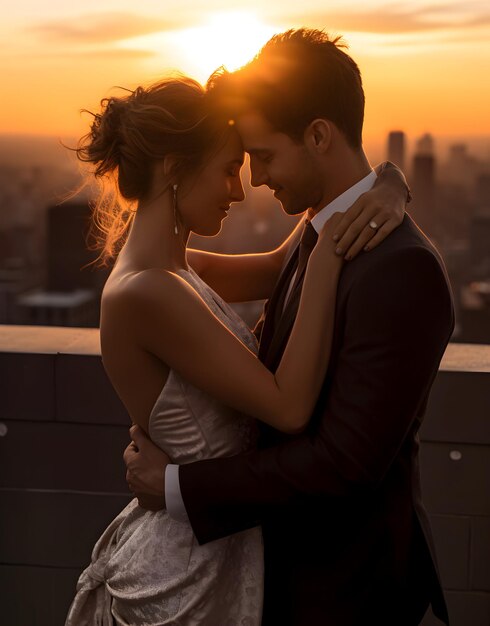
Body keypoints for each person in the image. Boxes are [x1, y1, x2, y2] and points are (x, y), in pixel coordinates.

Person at [125, 30, 455, 626]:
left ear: (320, 135)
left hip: (347, 594)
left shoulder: (402, 269)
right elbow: (170, 271)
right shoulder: (316, 231)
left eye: (264, 155)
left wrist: (178, 487)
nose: (254, 178)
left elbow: (343, 464)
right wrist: (388, 178)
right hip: (280, 576)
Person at [65, 70, 408, 625]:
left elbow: (277, 267)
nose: (240, 189)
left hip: (221, 542)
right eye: (228, 169)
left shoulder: (174, 269)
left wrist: (386, 183)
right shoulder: (148, 291)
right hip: (185, 574)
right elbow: (289, 406)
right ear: (175, 170)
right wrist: (329, 259)